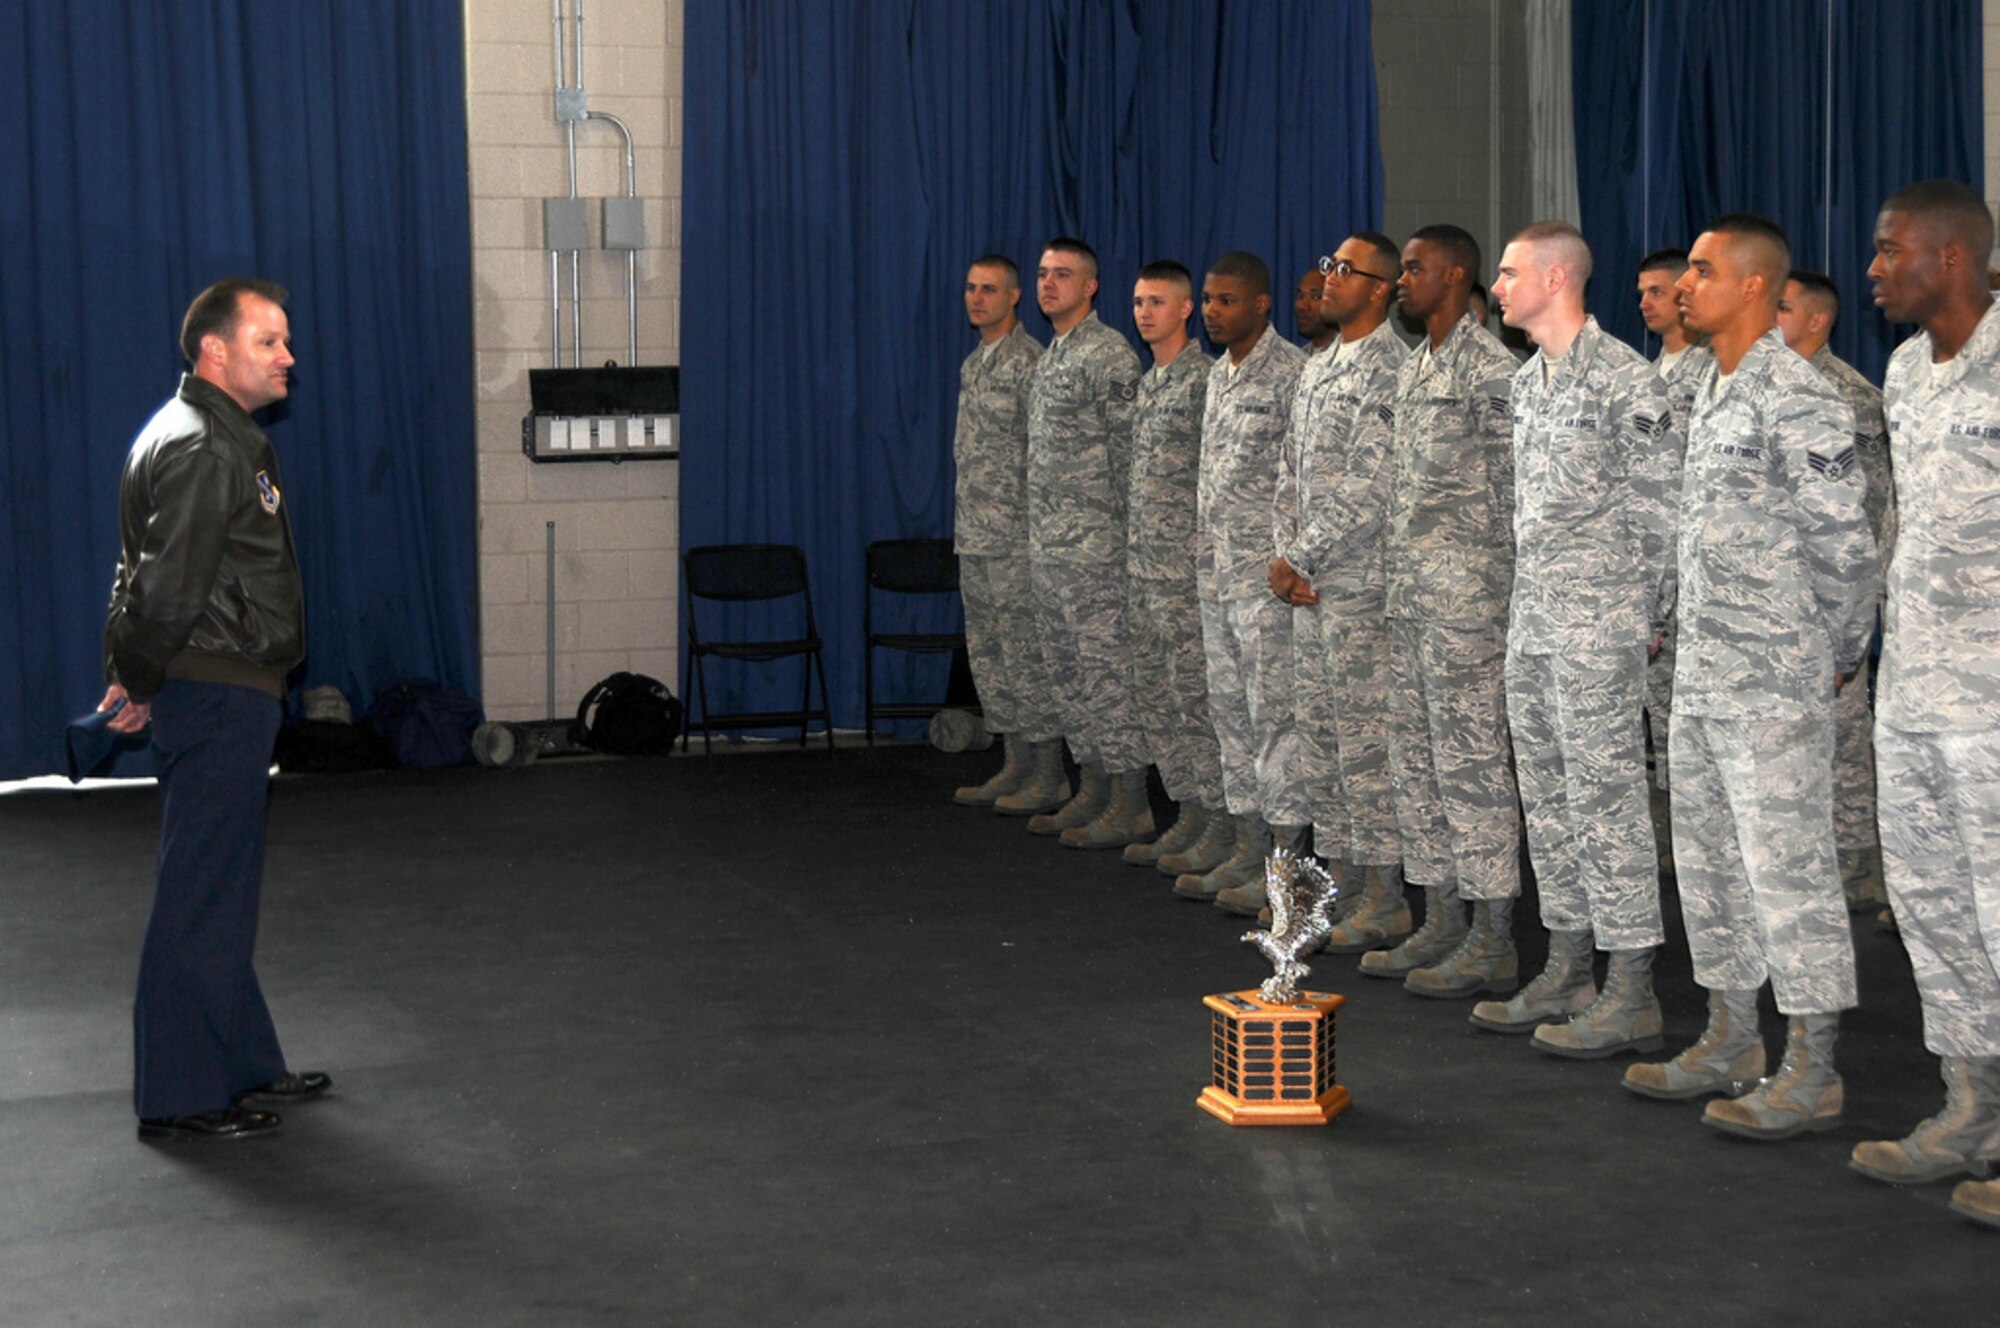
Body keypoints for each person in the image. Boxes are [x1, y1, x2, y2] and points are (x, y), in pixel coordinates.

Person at [1622, 215, 1876, 1140]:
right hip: (1703, 677)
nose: (1684, 284)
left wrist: (1836, 651)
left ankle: (1813, 1064)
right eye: (1684, 269)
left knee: (1790, 873)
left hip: (1773, 682)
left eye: (1702, 269)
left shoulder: (1797, 398)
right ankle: (1732, 1036)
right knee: (1712, 866)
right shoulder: (1712, 395)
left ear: (1758, 288)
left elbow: (1846, 549)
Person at [99, 277, 330, 1141]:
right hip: (217, 689)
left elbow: (143, 570)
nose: (288, 359)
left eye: (286, 342)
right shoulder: (204, 447)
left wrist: (132, 671)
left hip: (223, 686)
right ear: (215, 351)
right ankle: (180, 1094)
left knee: (222, 883)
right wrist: (142, 678)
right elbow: (165, 588)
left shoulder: (210, 435)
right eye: (269, 342)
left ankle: (240, 1060)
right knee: (201, 888)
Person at [1471, 223, 1679, 1056]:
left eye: (1512, 272)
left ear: (1556, 279)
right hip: (1536, 625)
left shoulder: (1625, 380)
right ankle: (1567, 965)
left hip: (1599, 631)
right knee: (1550, 805)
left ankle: (1632, 988)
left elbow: (1662, 517)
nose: (1499, 286)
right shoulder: (1529, 385)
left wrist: (1646, 619)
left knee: (1609, 807)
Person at [1844, 180, 2000, 1222]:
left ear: (1949, 258)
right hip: (1911, 695)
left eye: (1887, 249)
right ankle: (1967, 1108)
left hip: (1990, 700)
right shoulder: (1902, 371)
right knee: (1935, 912)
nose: (1871, 268)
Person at [1364, 224, 1523, 998]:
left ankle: (1492, 932)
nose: (1403, 279)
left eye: (1416, 268)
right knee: (1417, 765)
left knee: (1471, 769)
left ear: (1456, 276)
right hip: (1410, 600)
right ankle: (1440, 916)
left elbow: (1513, 496)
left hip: (1467, 606)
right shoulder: (1416, 366)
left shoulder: (1490, 370)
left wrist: (1497, 598)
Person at [1269, 234, 1412, 951]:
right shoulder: (1320, 365)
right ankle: (1344, 883)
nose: (1327, 279)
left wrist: (1302, 554)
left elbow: (1371, 484)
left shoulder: (1392, 367)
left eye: (1344, 270)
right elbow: (1290, 471)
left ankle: (1385, 892)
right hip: (1310, 586)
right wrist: (1287, 553)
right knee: (1322, 742)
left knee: (1364, 744)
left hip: (1360, 587)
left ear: (1382, 288)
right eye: (1326, 265)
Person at [1179, 250, 1306, 904]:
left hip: (1268, 585)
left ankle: (1287, 865)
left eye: (1225, 301)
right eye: (1206, 299)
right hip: (1218, 579)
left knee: (1274, 722)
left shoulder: (1292, 373)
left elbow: (1301, 480)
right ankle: (1247, 843)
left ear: (1261, 303)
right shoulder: (1218, 376)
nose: (1212, 312)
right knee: (1231, 718)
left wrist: (1293, 563)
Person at [1022, 238, 1152, 848]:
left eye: (1062, 275)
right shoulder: (1052, 355)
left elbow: (1130, 462)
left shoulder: (1109, 355)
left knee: (1107, 678)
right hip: (1050, 551)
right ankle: (1092, 788)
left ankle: (1130, 802)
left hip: (1096, 553)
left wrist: (1125, 550)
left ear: (1091, 286)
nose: (1049, 284)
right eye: (1044, 274)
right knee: (1070, 679)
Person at [1775, 269, 1894, 915]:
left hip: (1832, 596)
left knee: (1845, 736)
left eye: (1784, 307)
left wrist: (1858, 606)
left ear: (1817, 320)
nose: (1771, 317)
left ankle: (1854, 861)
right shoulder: (1758, 386)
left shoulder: (1851, 396)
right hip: (1778, 597)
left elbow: (1871, 510)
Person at [1123, 261, 1231, 873]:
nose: (1144, 312)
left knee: (1196, 702)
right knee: (1160, 699)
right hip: (1144, 573)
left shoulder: (1202, 381)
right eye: (1138, 301)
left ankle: (1217, 820)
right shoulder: (1149, 383)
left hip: (1185, 576)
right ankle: (1188, 810)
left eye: (1157, 302)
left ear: (1186, 309)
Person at [949, 256, 1061, 812]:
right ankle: (1015, 764)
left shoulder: (1030, 364)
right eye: (971, 289)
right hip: (975, 535)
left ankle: (1046, 773)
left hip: (1017, 540)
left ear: (1015, 297)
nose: (977, 299)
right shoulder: (975, 364)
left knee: (1026, 658)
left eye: (989, 290)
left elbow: (1043, 461)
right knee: (991, 659)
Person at [1635, 247, 1708, 811]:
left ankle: (1693, 815)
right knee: (1659, 707)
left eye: (1657, 291)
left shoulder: (1708, 372)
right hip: (1656, 563)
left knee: (1692, 710)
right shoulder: (1644, 376)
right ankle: (1669, 820)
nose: (1645, 303)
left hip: (1697, 569)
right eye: (1641, 293)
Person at [1294, 267, 1337, 354]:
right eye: (1300, 297)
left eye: (1316, 297)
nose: (1303, 306)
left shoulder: (1354, 357)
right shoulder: (1297, 361)